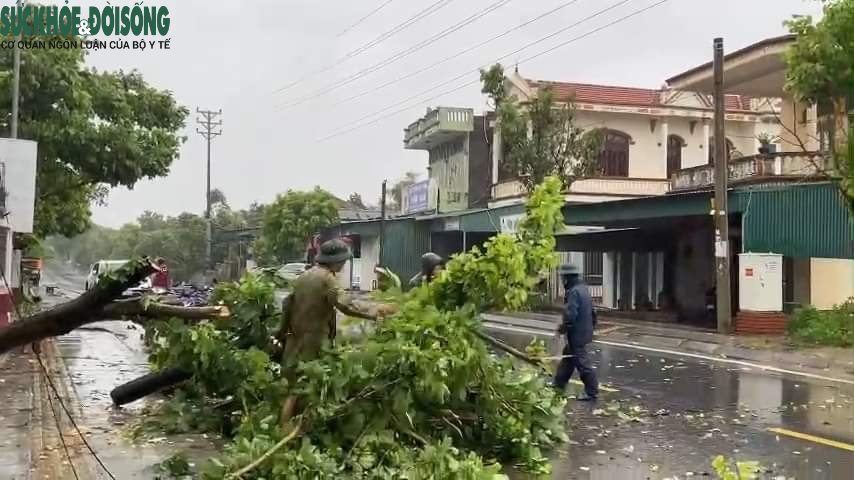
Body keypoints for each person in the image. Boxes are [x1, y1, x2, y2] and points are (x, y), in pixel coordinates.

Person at [278, 238, 397, 423]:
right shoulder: (327, 279)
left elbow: (288, 306)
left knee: (295, 386)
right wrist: (376, 312)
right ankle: (287, 429)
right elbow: (345, 304)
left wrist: (281, 333)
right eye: (344, 260)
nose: (344, 264)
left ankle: (288, 428)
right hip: (313, 344)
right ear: (336, 260)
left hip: (295, 340)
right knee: (303, 388)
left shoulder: (304, 277)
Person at [552, 264, 599, 401]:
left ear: (567, 278)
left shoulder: (573, 292)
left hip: (577, 334)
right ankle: (558, 386)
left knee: (582, 363)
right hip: (584, 331)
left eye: (562, 278)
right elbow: (593, 312)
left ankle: (591, 391)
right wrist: (591, 327)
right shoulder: (583, 289)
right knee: (568, 360)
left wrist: (562, 328)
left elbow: (570, 315)